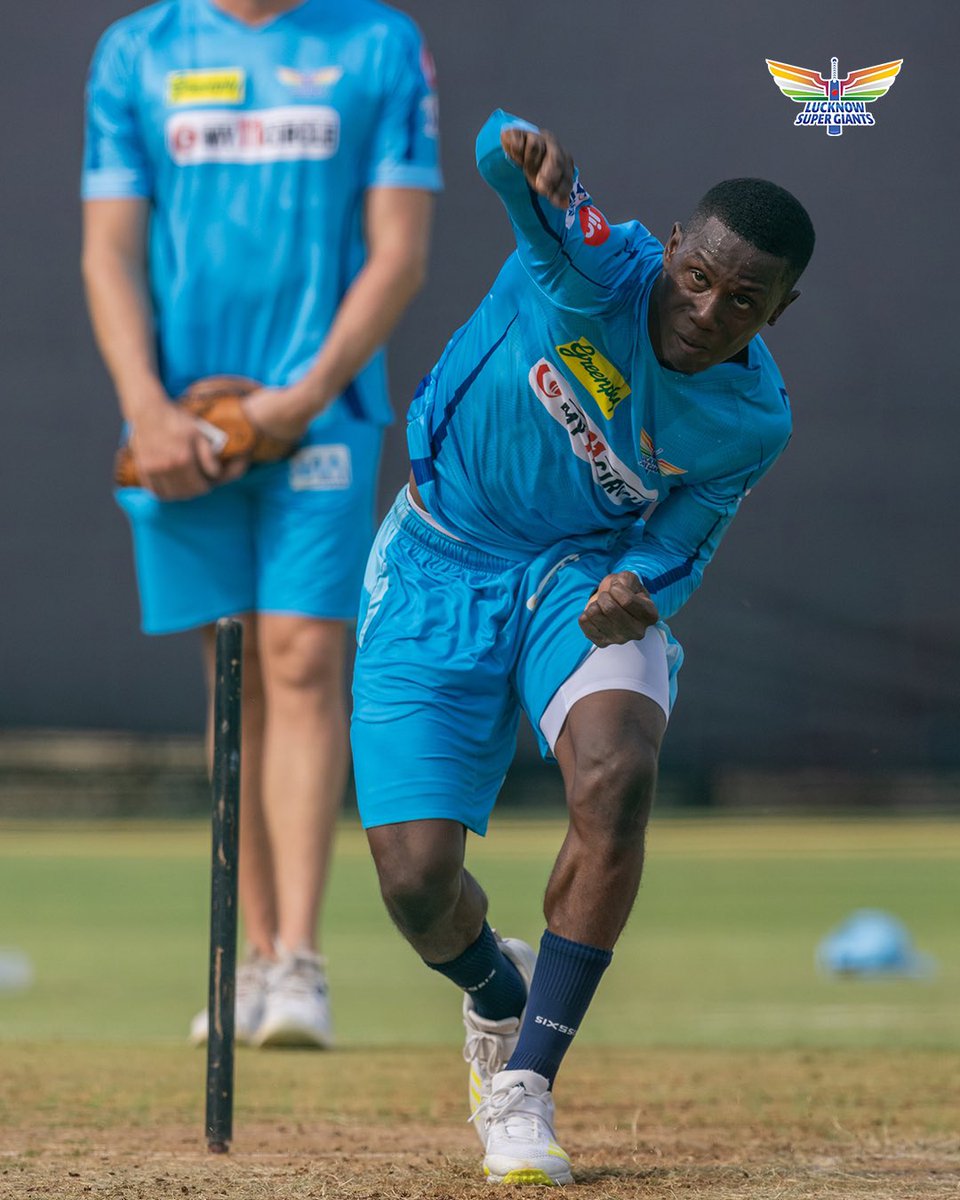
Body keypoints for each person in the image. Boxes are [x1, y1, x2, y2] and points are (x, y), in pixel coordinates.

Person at [351, 109, 814, 1183]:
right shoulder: (595, 262)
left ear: (782, 310)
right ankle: (498, 997)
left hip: (578, 578)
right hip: (440, 554)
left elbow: (681, 543)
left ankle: (526, 1087)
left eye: (746, 301)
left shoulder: (753, 421)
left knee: (618, 771)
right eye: (698, 276)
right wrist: (522, 146)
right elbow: (496, 162)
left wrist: (636, 591)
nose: (708, 310)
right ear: (675, 249)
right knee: (416, 883)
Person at [81, 0, 441, 1048]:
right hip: (176, 421)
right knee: (229, 670)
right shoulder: (138, 51)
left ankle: (299, 965)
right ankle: (243, 963)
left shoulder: (377, 43)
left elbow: (399, 252)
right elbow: (109, 253)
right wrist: (147, 407)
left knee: (299, 660)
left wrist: (303, 395)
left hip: (319, 414)